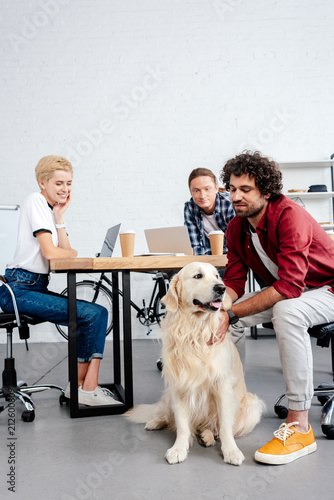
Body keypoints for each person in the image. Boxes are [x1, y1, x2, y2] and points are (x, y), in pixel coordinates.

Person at [217, 150, 334, 465]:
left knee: (286, 310)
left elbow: (289, 287)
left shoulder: (289, 216)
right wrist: (220, 313)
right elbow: (235, 284)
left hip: (329, 289)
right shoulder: (235, 229)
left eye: (245, 190)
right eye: (231, 188)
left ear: (266, 192)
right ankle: (231, 405)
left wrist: (231, 312)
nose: (236, 196)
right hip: (298, 290)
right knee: (229, 321)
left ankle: (299, 426)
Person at [0, 155, 121, 406]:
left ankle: (79, 387)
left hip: (32, 287)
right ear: (42, 183)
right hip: (18, 290)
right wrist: (69, 252)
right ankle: (87, 388)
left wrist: (60, 217)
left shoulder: (48, 210)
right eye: (59, 183)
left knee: (96, 312)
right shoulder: (35, 200)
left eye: (69, 183)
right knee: (93, 314)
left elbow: (65, 252)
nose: (65, 189)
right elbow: (53, 253)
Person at [184, 168, 235, 255]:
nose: (202, 196)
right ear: (191, 192)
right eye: (196, 190)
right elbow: (193, 246)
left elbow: (237, 245)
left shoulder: (229, 204)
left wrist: (204, 253)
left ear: (216, 188)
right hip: (206, 260)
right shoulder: (190, 207)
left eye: (207, 189)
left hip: (230, 259)